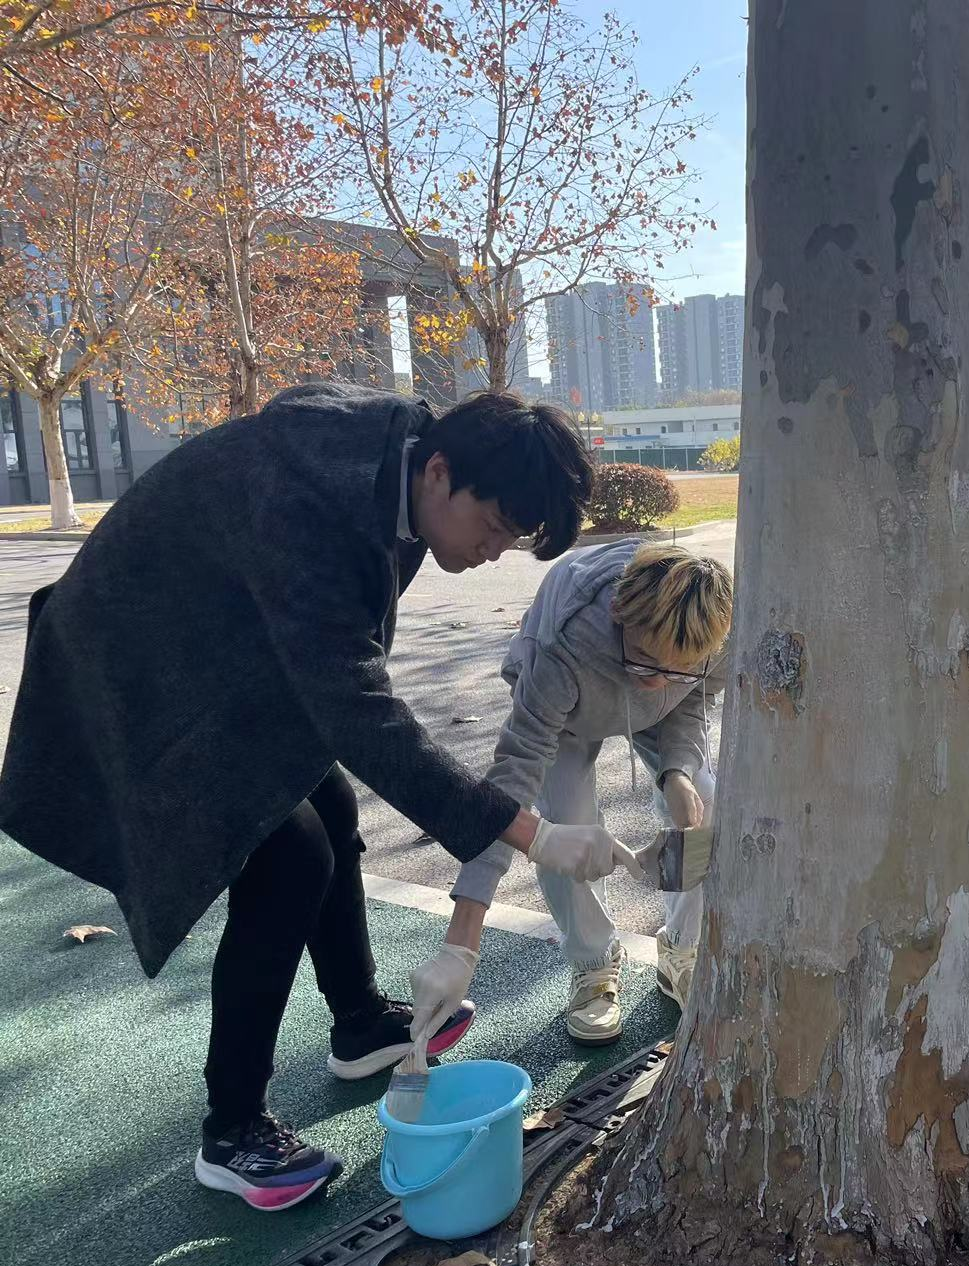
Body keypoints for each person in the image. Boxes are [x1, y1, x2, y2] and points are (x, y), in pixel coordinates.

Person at [0, 383, 640, 1211]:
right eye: (491, 528)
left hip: (214, 649)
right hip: (130, 675)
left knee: (329, 806)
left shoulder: (400, 461)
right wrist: (531, 833)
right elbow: (356, 709)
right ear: (440, 473)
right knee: (291, 857)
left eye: (509, 542)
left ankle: (360, 1022)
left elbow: (339, 679)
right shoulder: (304, 501)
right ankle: (232, 1130)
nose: (491, 553)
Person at [411, 540, 731, 1046]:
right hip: (568, 710)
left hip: (660, 715)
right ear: (619, 615)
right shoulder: (567, 642)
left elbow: (690, 699)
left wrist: (678, 771)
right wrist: (462, 939)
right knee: (565, 819)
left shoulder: (716, 636)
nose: (654, 682)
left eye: (675, 668)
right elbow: (512, 781)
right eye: (645, 660)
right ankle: (593, 963)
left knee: (705, 804)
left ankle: (681, 948)